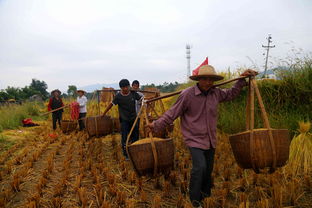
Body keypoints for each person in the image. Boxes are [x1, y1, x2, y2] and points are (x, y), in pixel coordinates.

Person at [147, 64, 257, 207]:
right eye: (204, 79)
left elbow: (231, 94)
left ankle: (205, 196)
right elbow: (172, 113)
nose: (208, 82)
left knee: (208, 169)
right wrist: (156, 125)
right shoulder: (187, 94)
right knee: (200, 167)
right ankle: (194, 199)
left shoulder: (215, 93)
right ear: (198, 80)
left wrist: (242, 80)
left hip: (210, 139)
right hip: (194, 138)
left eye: (211, 79)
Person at [102, 79, 143, 159]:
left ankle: (135, 151)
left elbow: (141, 99)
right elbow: (111, 104)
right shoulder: (118, 96)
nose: (125, 89)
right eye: (123, 88)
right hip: (124, 120)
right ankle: (126, 153)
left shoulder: (133, 93)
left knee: (135, 135)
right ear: (121, 88)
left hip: (134, 119)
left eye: (127, 87)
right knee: (124, 136)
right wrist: (104, 113)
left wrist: (147, 100)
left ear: (128, 86)